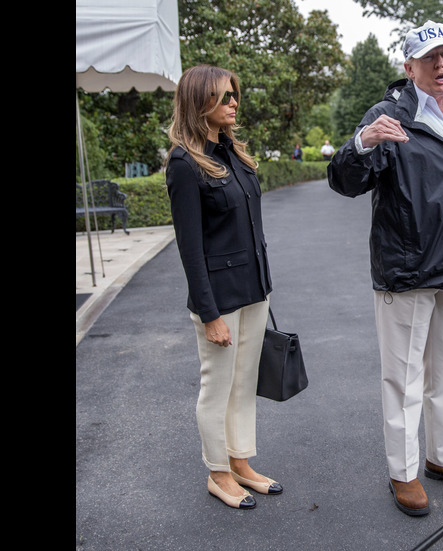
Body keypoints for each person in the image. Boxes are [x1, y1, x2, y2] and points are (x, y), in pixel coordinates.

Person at [327, 20, 443, 517]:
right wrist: (362, 142)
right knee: (403, 380)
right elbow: (343, 181)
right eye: (429, 58)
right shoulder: (388, 116)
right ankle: (403, 472)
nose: (441, 65)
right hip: (406, 272)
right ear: (409, 69)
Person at [165, 65, 280, 510]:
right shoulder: (184, 163)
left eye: (234, 94)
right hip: (218, 297)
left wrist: (263, 283)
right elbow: (190, 250)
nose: (234, 101)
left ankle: (240, 461)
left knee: (243, 383)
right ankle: (217, 472)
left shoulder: (234, 153)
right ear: (200, 102)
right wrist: (209, 314)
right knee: (218, 386)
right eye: (223, 95)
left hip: (253, 288)